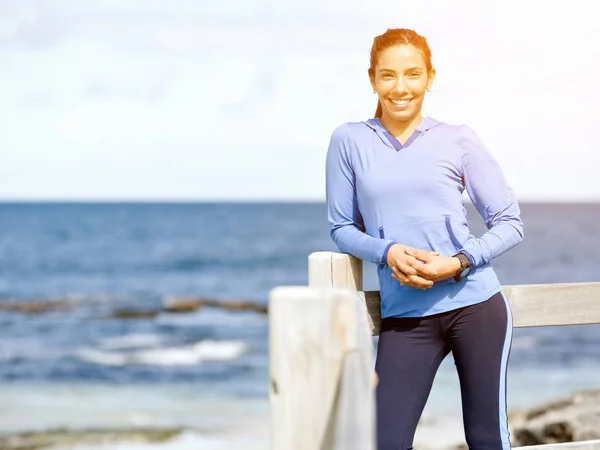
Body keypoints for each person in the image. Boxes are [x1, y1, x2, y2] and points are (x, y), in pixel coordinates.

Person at [325, 28, 524, 450]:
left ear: (430, 77)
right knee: (383, 442)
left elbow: (509, 222)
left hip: (476, 306)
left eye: (413, 74)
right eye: (388, 76)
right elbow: (342, 227)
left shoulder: (458, 139)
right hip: (406, 318)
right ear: (372, 79)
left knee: (488, 439)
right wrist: (388, 252)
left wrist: (459, 261)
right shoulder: (349, 141)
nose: (401, 88)